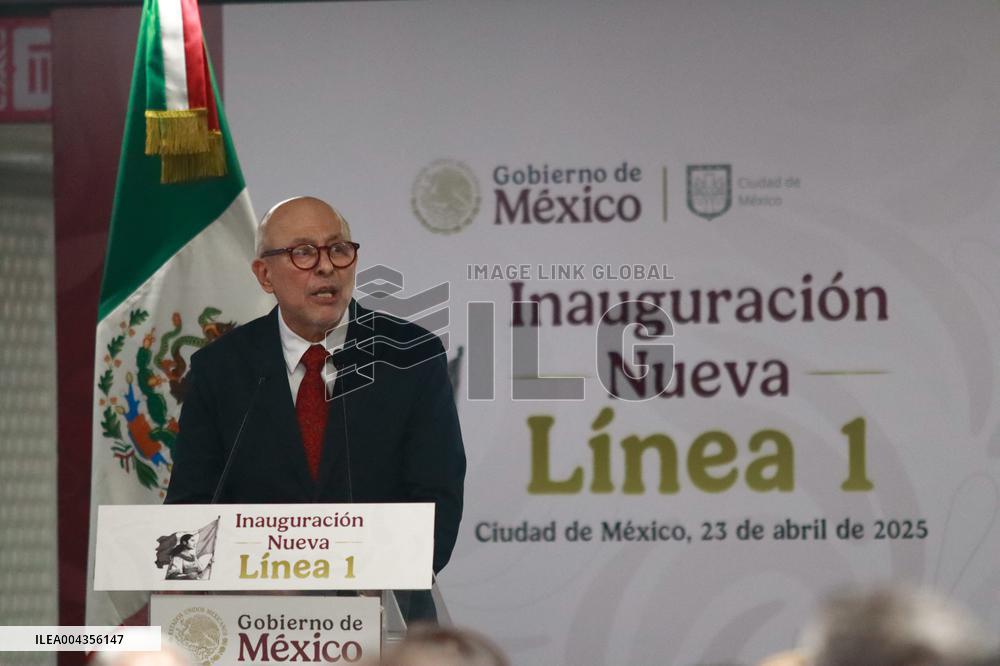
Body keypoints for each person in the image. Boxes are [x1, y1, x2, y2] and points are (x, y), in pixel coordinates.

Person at [165, 196, 466, 620]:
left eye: (338, 249)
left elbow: (438, 499)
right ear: (264, 274)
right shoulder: (220, 369)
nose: (326, 266)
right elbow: (193, 503)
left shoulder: (410, 357)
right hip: (256, 627)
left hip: (384, 619)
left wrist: (381, 579)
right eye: (303, 252)